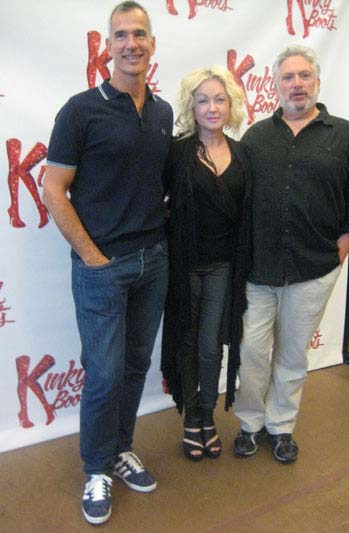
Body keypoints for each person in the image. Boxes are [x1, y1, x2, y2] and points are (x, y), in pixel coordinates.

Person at [43, 1, 173, 525]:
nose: (131, 44)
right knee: (103, 374)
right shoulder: (80, 110)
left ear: (152, 44)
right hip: (102, 269)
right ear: (107, 46)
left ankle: (120, 449)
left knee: (136, 366)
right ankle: (96, 468)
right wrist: (92, 257)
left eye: (139, 34)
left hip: (154, 262)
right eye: (121, 35)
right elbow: (54, 189)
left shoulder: (163, 112)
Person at [233, 45, 349, 464]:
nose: (296, 84)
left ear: (316, 81)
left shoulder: (345, 134)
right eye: (288, 77)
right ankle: (250, 423)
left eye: (304, 76)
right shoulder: (256, 137)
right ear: (275, 86)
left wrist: (342, 248)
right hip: (259, 269)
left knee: (293, 354)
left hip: (314, 269)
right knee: (253, 352)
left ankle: (280, 427)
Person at [161, 67, 252, 462]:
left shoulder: (243, 153)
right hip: (182, 265)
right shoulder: (177, 151)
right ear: (191, 107)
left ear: (230, 105)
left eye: (219, 99)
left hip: (223, 266)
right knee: (186, 340)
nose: (211, 107)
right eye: (203, 100)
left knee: (211, 344)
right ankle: (189, 420)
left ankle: (206, 415)